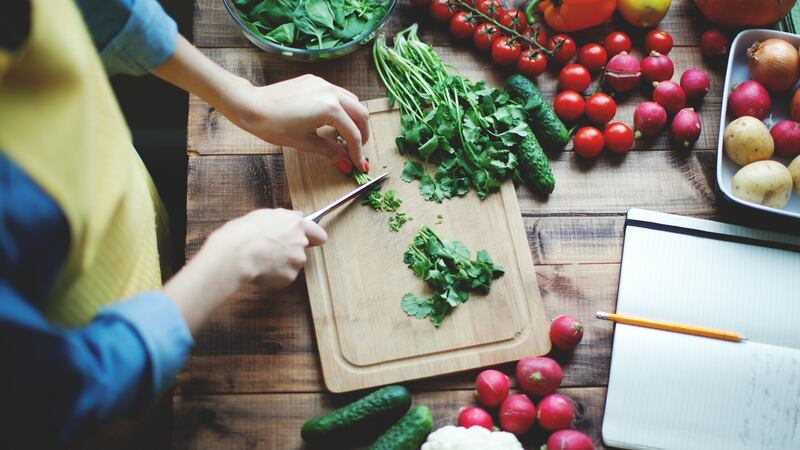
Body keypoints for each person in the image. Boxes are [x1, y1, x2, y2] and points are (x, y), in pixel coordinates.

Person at [0, 0, 369, 447]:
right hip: (109, 380)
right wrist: (230, 262)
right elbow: (51, 398)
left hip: (118, 215)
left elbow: (96, 8)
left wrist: (242, 98)